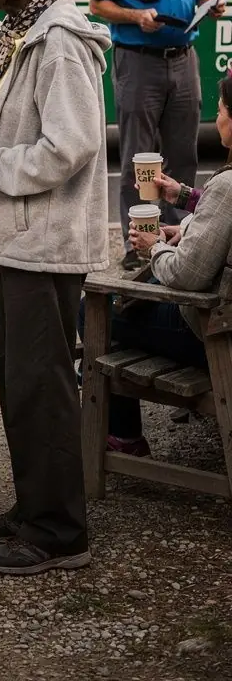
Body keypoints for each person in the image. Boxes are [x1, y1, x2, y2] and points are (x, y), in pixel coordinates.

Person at [0, 0, 110, 576]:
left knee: (42, 388)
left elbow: (69, 146)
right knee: (22, 384)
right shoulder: (21, 30)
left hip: (44, 242)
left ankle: (58, 532)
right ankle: (33, 509)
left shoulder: (59, 43)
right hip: (19, 239)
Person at [89, 0, 222, 270]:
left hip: (184, 59)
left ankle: (181, 238)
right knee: (138, 157)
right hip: (138, 61)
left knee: (183, 153)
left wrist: (212, 5)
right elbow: (97, 3)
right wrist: (133, 15)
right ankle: (138, 246)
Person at [100, 71, 232, 454]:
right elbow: (219, 216)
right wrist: (183, 196)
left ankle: (123, 436)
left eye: (221, 109)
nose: (218, 116)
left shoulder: (226, 185)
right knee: (139, 299)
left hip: (211, 332)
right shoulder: (222, 189)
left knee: (99, 310)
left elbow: (186, 275)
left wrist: (156, 245)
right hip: (217, 316)